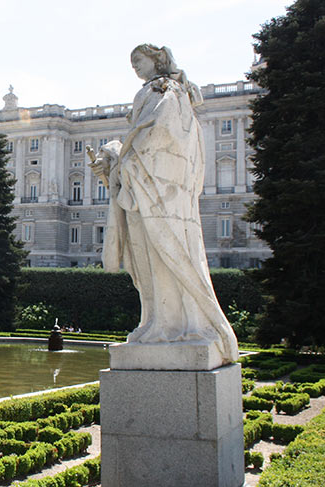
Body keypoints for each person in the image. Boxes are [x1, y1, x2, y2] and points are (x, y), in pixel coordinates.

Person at [88, 43, 237, 362]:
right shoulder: (150, 93)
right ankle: (155, 322)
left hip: (159, 195)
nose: (136, 69)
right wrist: (113, 161)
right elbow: (138, 139)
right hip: (140, 193)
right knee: (145, 263)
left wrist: (125, 156)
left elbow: (161, 134)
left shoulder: (169, 91)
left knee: (166, 259)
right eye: (132, 65)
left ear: (156, 60)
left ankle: (176, 327)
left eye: (139, 61)